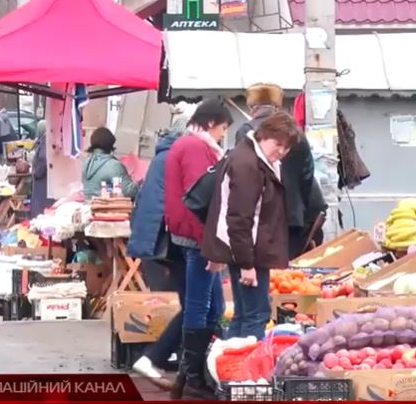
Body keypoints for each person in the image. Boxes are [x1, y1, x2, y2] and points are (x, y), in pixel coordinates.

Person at [204, 111, 300, 341]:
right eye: (278, 144)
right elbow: (239, 218)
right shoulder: (249, 165)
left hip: (245, 248)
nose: (281, 152)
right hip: (248, 251)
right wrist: (247, 264)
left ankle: (230, 367)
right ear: (263, 136)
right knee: (256, 314)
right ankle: (244, 373)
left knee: (245, 313)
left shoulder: (250, 157)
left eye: (286, 148)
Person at [164, 98, 231, 400]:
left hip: (193, 234)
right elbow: (201, 196)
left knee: (212, 307)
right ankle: (192, 378)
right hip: (197, 236)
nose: (223, 135)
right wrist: (213, 241)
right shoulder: (194, 148)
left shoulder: (190, 144)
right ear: (209, 124)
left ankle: (188, 376)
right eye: (222, 128)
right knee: (200, 305)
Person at [128, 116, 190, 390]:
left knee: (196, 304)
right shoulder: (175, 159)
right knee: (198, 305)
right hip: (169, 243)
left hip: (158, 241)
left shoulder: (162, 156)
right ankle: (157, 356)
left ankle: (170, 358)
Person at [234, 83, 317, 259]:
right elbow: (307, 175)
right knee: (287, 277)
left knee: (262, 274)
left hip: (260, 217)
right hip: (292, 216)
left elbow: (240, 175)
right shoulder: (297, 133)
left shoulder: (246, 132)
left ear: (252, 108)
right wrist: (296, 203)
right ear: (277, 107)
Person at [81, 127, 138, 200]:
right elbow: (128, 191)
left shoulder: (87, 162)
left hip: (89, 205)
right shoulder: (114, 165)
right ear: (110, 144)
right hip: (105, 208)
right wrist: (137, 183)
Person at [30, 121, 55, 217]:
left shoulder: (45, 142)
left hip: (43, 183)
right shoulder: (46, 141)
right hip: (46, 182)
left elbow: (44, 159)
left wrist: (36, 173)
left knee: (40, 211)